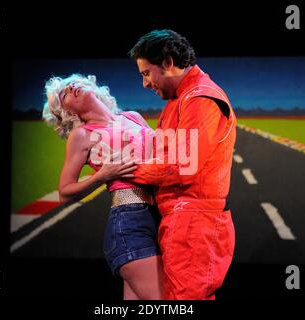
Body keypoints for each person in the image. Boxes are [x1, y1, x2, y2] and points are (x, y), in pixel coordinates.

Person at [127, 29, 237, 300]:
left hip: (193, 222)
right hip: (182, 219)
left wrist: (129, 170)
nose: (145, 84)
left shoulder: (199, 99)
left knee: (184, 300)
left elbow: (181, 166)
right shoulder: (181, 100)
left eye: (146, 73)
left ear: (167, 62)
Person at [42, 73, 163, 300]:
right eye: (63, 94)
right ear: (67, 112)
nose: (71, 88)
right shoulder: (81, 135)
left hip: (161, 216)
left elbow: (161, 158)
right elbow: (64, 193)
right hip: (129, 223)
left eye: (72, 83)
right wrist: (101, 176)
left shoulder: (134, 117)